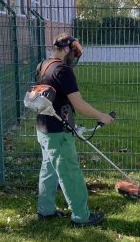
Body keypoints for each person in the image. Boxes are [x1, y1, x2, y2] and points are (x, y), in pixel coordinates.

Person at [35, 33, 114, 227]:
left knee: (49, 170)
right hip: (58, 132)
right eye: (75, 53)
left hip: (43, 127)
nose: (74, 58)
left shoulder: (43, 65)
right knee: (70, 172)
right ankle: (81, 217)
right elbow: (78, 104)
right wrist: (101, 116)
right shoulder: (63, 70)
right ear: (67, 49)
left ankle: (45, 211)